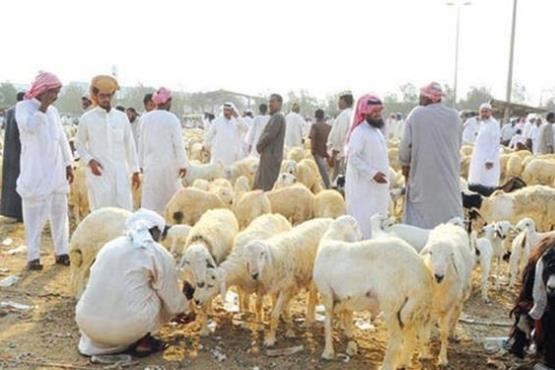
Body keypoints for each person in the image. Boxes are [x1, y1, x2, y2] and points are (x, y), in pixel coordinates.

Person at [75, 209, 189, 357]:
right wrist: (184, 302)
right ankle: (144, 342)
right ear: (154, 231)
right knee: (157, 290)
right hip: (125, 329)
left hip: (88, 325)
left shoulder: (110, 246)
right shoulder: (156, 251)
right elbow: (171, 297)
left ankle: (115, 336)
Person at [15, 72, 74, 270]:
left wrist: (68, 164)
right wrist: (43, 107)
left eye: (57, 93)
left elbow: (62, 140)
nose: (55, 96)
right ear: (42, 90)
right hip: (35, 171)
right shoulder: (23, 108)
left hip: (56, 170)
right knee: (34, 216)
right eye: (53, 92)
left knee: (60, 213)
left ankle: (62, 252)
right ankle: (33, 256)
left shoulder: (54, 112)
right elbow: (29, 127)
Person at [399, 82, 463, 229]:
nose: (419, 100)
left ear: (428, 98)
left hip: (423, 174)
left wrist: (405, 165)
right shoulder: (455, 116)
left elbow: (405, 146)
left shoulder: (417, 114)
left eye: (421, 97)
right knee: (449, 211)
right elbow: (458, 144)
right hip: (449, 174)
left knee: (422, 213)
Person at [75, 75, 140, 211]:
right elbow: (79, 144)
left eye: (108, 96)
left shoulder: (121, 118)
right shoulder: (87, 119)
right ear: (95, 96)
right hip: (99, 174)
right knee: (101, 213)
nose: (105, 99)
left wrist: (135, 171)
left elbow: (130, 145)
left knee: (124, 212)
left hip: (120, 174)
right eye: (102, 96)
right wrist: (90, 161)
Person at [345, 94, 389, 239]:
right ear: (365, 112)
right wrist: (372, 174)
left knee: (377, 220)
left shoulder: (376, 132)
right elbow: (353, 157)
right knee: (364, 222)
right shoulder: (359, 132)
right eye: (373, 111)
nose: (377, 114)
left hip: (377, 189)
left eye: (379, 111)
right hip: (363, 189)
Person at [139, 88, 187, 215]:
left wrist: (140, 164)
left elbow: (141, 143)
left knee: (151, 199)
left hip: (150, 165)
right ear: (168, 101)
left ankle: (149, 226)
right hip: (168, 166)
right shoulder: (172, 119)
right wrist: (183, 164)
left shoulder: (145, 118)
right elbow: (178, 144)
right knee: (169, 199)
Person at [253, 94, 286, 191]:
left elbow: (269, 135)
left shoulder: (278, 117)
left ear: (279, 104)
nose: (269, 104)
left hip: (271, 157)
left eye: (272, 102)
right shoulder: (275, 117)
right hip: (269, 156)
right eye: (269, 102)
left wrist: (259, 145)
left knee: (265, 186)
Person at [1, 92, 25, 222]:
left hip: (10, 152)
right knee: (21, 182)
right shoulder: (23, 112)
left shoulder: (10, 111)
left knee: (10, 182)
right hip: (20, 153)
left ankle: (9, 211)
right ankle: (20, 213)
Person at [203, 102, 248, 167]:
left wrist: (237, 116)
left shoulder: (236, 121)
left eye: (228, 110)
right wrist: (205, 145)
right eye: (225, 110)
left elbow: (246, 128)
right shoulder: (217, 121)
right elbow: (209, 135)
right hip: (220, 153)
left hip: (233, 154)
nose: (226, 112)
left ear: (232, 111)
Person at [468, 103, 501, 187]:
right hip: (478, 158)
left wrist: (490, 159)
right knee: (476, 180)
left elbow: (495, 143)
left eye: (486, 111)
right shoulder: (483, 124)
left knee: (487, 183)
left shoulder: (494, 124)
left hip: (487, 160)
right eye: (482, 112)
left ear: (490, 112)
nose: (484, 114)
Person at [326, 92, 354, 182]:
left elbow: (340, 135)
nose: (338, 103)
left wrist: (334, 154)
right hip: (349, 153)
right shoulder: (353, 115)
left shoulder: (344, 116)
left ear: (345, 102)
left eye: (340, 101)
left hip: (340, 154)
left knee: (337, 180)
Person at [309, 109, 331, 189]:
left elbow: (312, 138)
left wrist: (312, 151)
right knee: (326, 173)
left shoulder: (315, 126)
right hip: (327, 153)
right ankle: (328, 187)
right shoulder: (329, 127)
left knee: (320, 173)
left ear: (315, 116)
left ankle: (326, 188)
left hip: (318, 153)